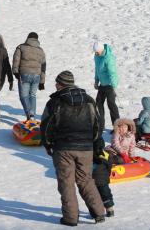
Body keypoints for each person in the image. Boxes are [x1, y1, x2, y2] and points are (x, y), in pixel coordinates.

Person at [41, 70, 105, 226]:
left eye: (57, 83)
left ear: (61, 84)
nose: (55, 85)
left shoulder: (55, 102)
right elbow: (98, 124)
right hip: (86, 147)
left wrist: (48, 143)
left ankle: (70, 218)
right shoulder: (89, 100)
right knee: (86, 180)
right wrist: (94, 143)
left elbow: (46, 126)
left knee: (66, 182)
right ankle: (98, 212)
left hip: (63, 148)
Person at [12, 32, 46, 120]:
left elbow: (16, 59)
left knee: (24, 96)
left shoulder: (21, 47)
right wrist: (42, 82)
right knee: (32, 95)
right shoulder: (41, 50)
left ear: (28, 38)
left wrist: (15, 71)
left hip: (25, 74)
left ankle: (30, 114)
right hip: (37, 76)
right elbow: (43, 67)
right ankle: (32, 115)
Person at [93, 41, 120, 130]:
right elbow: (97, 70)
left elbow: (113, 73)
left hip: (110, 85)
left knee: (111, 104)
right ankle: (100, 125)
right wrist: (96, 81)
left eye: (97, 52)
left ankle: (117, 127)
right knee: (98, 103)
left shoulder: (109, 58)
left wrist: (114, 87)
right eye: (95, 52)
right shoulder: (97, 56)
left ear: (102, 50)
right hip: (102, 84)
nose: (96, 53)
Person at [91, 139, 115, 218]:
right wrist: (107, 175)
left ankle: (96, 212)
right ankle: (110, 210)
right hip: (103, 180)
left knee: (94, 196)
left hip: (92, 181)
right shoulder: (106, 154)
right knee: (106, 194)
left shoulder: (89, 155)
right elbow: (109, 166)